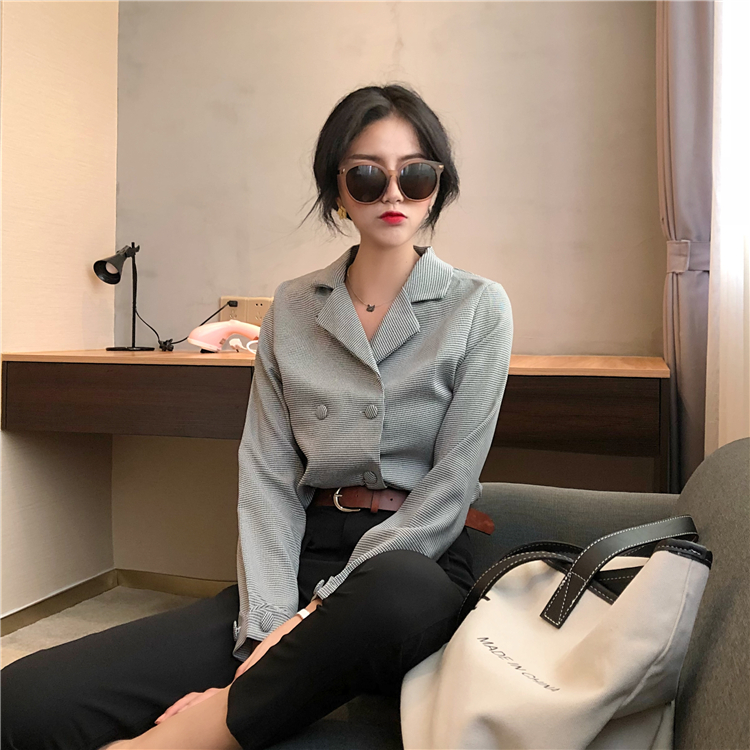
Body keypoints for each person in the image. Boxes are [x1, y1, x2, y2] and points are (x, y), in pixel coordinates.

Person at [1, 83, 513, 750]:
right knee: (22, 702)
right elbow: (268, 478)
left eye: (415, 175)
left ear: (437, 188)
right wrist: (270, 625)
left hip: (414, 558)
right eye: (367, 174)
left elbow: (450, 490)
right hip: (298, 559)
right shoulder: (294, 307)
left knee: (399, 591)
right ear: (337, 188)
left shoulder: (479, 306)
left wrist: (306, 623)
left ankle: (189, 735)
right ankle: (254, 694)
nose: (393, 193)